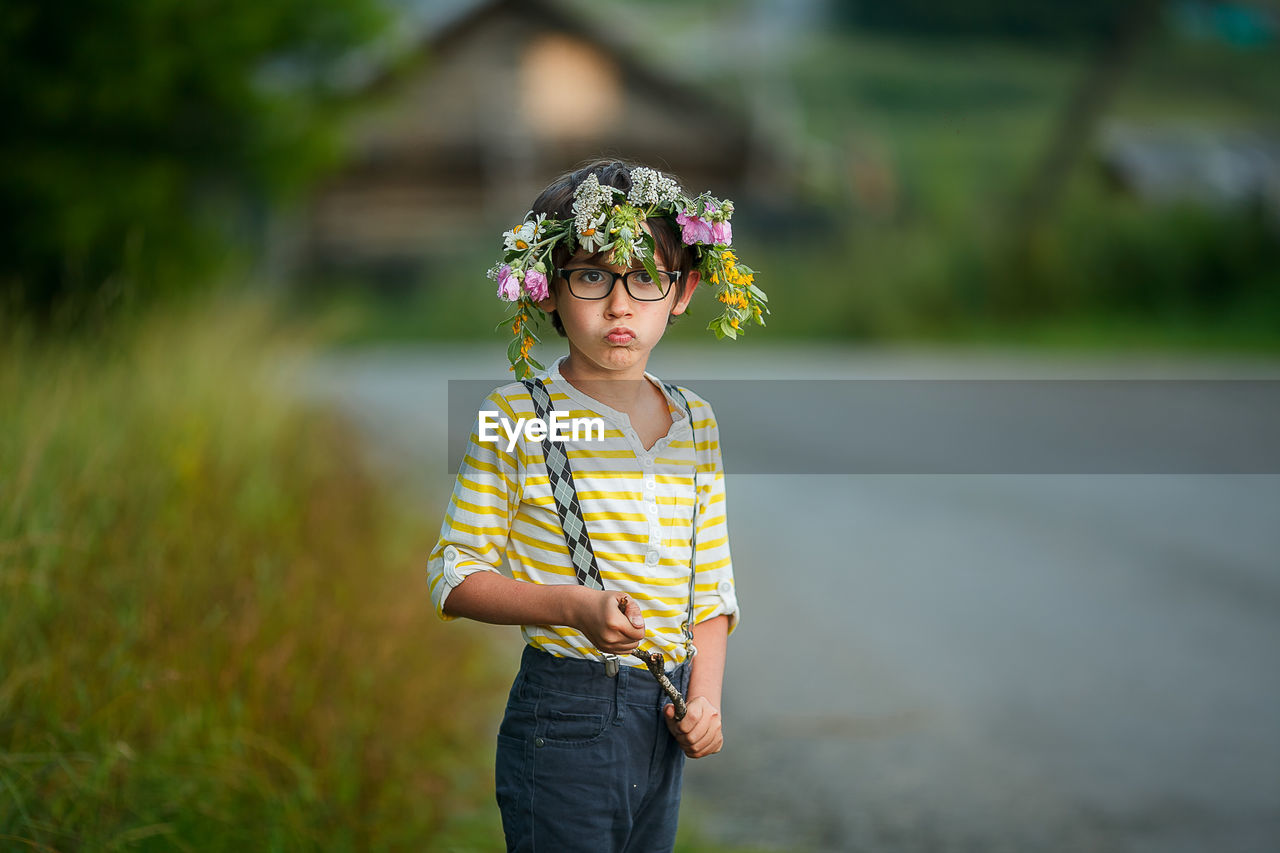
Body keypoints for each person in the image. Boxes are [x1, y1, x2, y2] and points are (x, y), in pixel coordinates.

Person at [425, 159, 768, 852]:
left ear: (684, 290)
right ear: (548, 288)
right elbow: (454, 576)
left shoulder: (695, 420)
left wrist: (704, 697)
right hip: (564, 722)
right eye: (592, 277)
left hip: (661, 721)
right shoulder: (519, 414)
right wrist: (570, 607)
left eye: (646, 278)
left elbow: (711, 587)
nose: (620, 305)